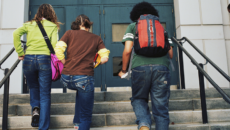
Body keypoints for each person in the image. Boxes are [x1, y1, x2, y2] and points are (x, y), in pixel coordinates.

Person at [118, 2, 174, 130]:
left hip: (140, 68)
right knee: (161, 106)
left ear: (135, 14)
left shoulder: (133, 26)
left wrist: (123, 70)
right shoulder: (161, 28)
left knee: (139, 99)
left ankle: (144, 125)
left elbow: (127, 50)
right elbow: (170, 54)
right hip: (162, 69)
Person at [54, 14, 110, 130]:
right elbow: (105, 58)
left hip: (66, 78)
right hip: (84, 77)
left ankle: (77, 124)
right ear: (88, 25)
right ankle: (81, 124)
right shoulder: (96, 38)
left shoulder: (69, 33)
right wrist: (94, 64)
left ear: (77, 25)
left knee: (80, 92)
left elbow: (58, 49)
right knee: (86, 114)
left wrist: (65, 63)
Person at [13, 4, 61, 130]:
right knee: (45, 94)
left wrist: (20, 52)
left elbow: (16, 34)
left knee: (33, 87)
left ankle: (35, 109)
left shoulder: (29, 24)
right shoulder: (53, 27)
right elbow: (55, 46)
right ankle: (43, 127)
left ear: (38, 13)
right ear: (51, 14)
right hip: (44, 59)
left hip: (28, 59)